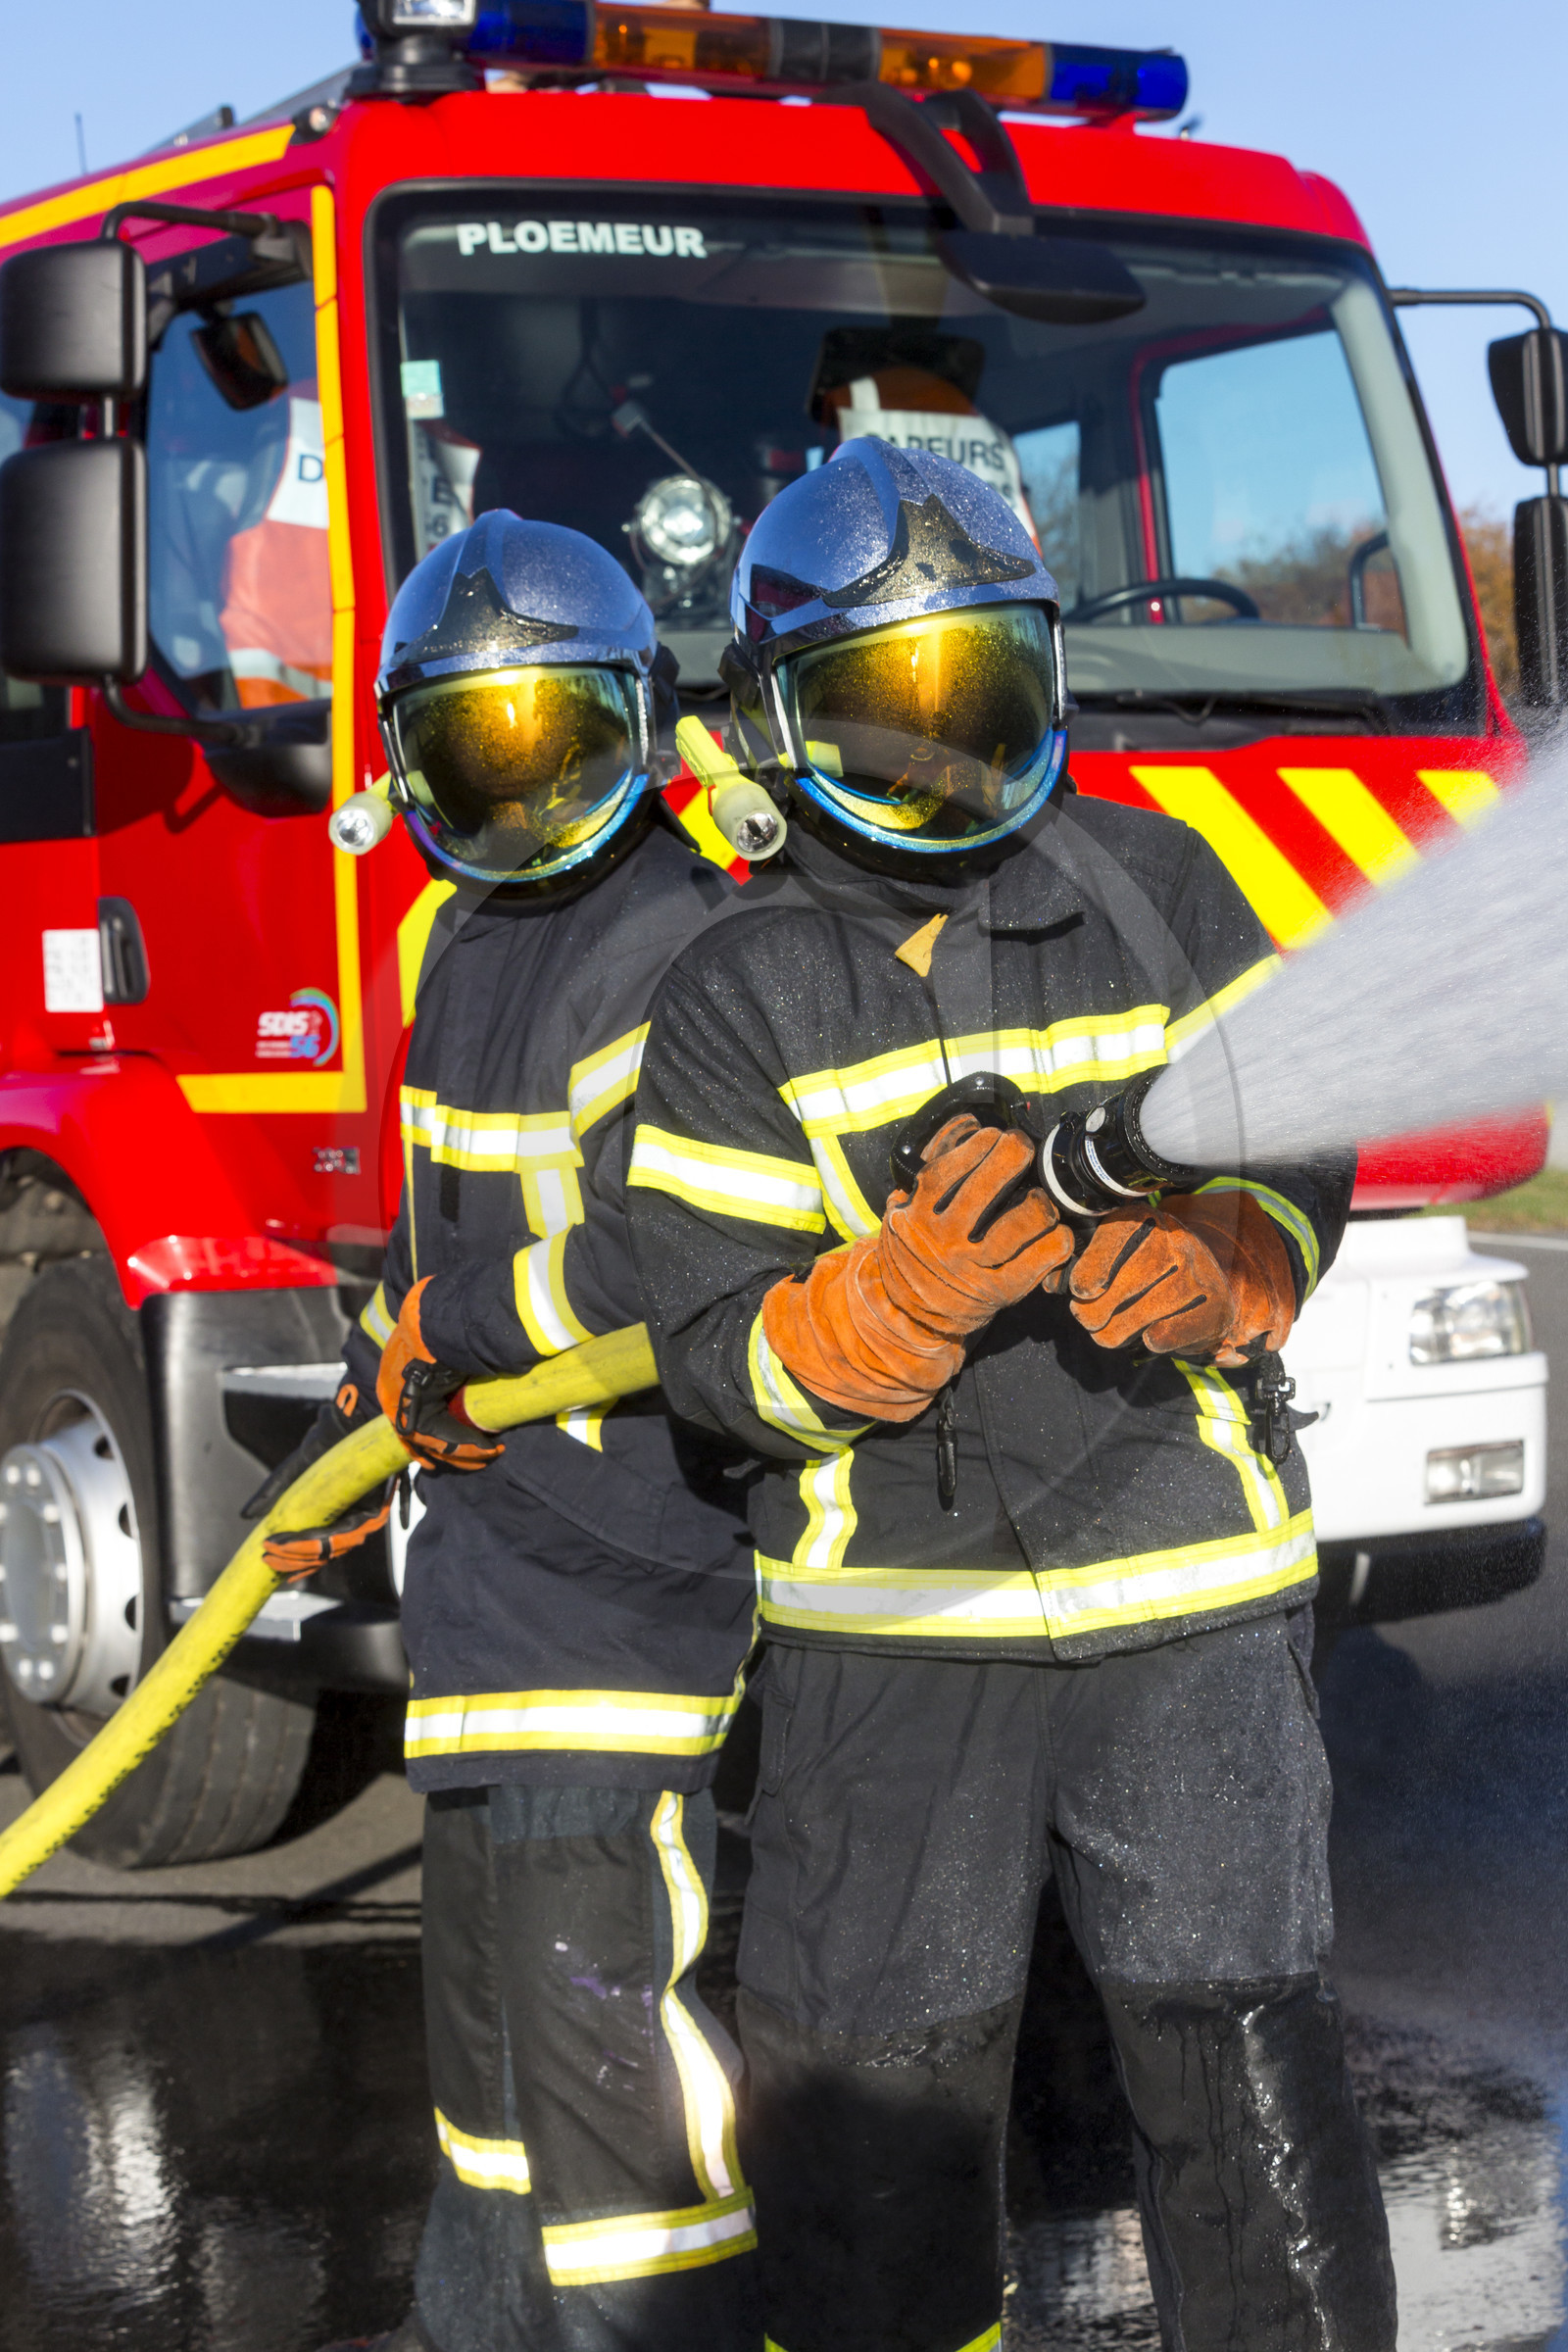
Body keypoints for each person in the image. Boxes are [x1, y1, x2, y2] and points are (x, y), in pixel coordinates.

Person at [624, 437, 1396, 2352]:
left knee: (1249, 2093)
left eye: (977, 695)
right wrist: (875, 1312)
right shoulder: (732, 988)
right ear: (779, 720)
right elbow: (707, 1348)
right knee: (869, 2130)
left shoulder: (1161, 886)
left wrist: (1240, 1249)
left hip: (1190, 1613)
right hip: (897, 1646)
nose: (940, 757)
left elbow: (1301, 1135)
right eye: (882, 712)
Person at [250, 510, 760, 2352]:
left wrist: (445, 1349)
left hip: (627, 1618)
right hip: (485, 1617)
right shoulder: (460, 945)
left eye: (558, 744)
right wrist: (346, 1430)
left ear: (637, 726)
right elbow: (432, 1261)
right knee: (488, 2121)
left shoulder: (685, 947)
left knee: (626, 2151)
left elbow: (667, 1262)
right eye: (479, 754)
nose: (526, 795)